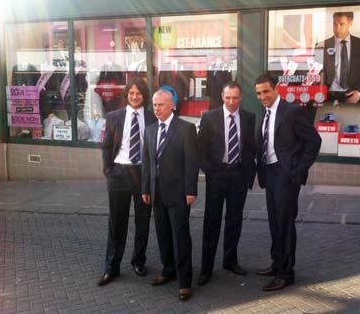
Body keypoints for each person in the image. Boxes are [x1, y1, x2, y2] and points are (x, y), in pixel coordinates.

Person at [254, 74, 321, 291]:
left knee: (285, 224)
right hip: (269, 173)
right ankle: (277, 263)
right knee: (274, 222)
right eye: (258, 93)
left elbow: (314, 141)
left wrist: (298, 170)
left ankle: (286, 273)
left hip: (286, 176)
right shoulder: (263, 114)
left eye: (266, 91)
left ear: (276, 90)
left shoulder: (292, 112)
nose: (262, 96)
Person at [141, 89, 199, 301]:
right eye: (154, 105)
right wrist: (145, 188)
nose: (156, 109)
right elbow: (147, 162)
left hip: (179, 194)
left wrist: (191, 190)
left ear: (172, 105)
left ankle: (184, 281)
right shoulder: (149, 130)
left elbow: (192, 162)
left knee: (181, 236)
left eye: (161, 105)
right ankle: (168, 270)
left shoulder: (186, 129)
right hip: (156, 193)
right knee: (163, 234)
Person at [197, 82, 256, 286]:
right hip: (217, 175)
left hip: (238, 175)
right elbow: (200, 147)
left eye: (235, 98)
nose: (231, 102)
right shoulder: (209, 117)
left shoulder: (248, 118)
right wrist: (210, 171)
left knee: (234, 220)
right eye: (228, 97)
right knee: (211, 222)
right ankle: (206, 268)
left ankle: (230, 261)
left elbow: (250, 147)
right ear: (222, 96)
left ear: (240, 98)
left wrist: (249, 172)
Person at [98, 78, 156, 286]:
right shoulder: (114, 116)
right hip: (119, 173)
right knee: (116, 222)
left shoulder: (152, 117)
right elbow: (106, 146)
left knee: (143, 220)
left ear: (144, 96)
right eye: (131, 93)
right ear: (126, 95)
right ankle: (111, 267)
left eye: (138, 93)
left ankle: (139, 261)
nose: (134, 96)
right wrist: (109, 170)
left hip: (143, 174)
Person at [317, 11, 360, 103]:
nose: (338, 28)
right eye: (335, 24)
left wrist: (359, 92)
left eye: (342, 24)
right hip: (327, 96)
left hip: (352, 95)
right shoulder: (321, 45)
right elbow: (317, 73)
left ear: (350, 23)